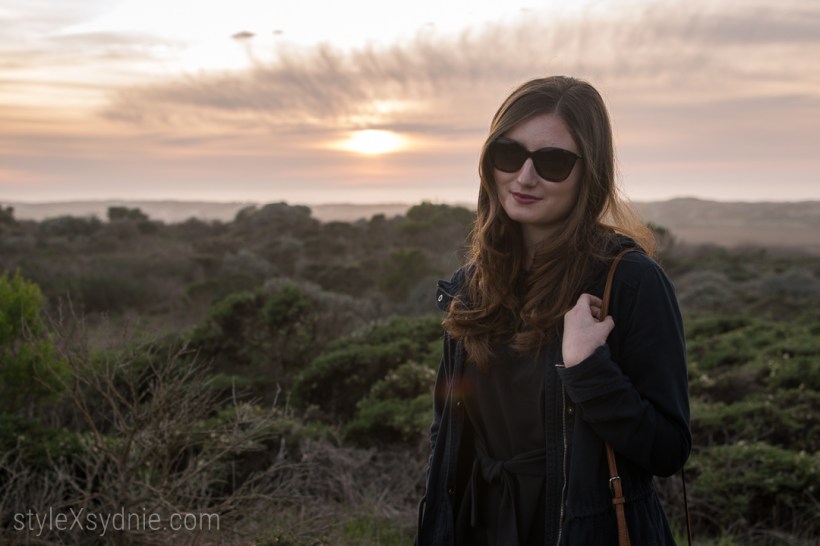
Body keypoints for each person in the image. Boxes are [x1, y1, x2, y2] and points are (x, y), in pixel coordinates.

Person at [415, 76, 691, 545]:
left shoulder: (629, 281)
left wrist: (589, 370)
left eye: (553, 162)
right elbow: (447, 435)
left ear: (590, 172)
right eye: (508, 153)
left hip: (580, 531)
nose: (524, 177)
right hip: (479, 525)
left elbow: (667, 450)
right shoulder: (472, 285)